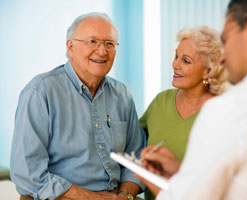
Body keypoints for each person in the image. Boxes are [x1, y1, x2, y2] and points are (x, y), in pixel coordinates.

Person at [137, 0, 247, 199]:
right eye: (176, 56)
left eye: (227, 38)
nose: (223, 58)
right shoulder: (162, 102)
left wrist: (153, 181)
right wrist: (182, 173)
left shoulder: (228, 110)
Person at [10, 12, 146, 200]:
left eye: (109, 43)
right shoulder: (40, 93)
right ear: (70, 46)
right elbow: (28, 173)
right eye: (92, 41)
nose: (102, 51)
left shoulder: (121, 94)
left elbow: (136, 157)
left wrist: (125, 195)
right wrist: (93, 198)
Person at [140, 26, 227, 200]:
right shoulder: (160, 102)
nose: (175, 64)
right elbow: (134, 146)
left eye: (186, 61)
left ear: (208, 70)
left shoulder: (221, 112)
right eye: (176, 56)